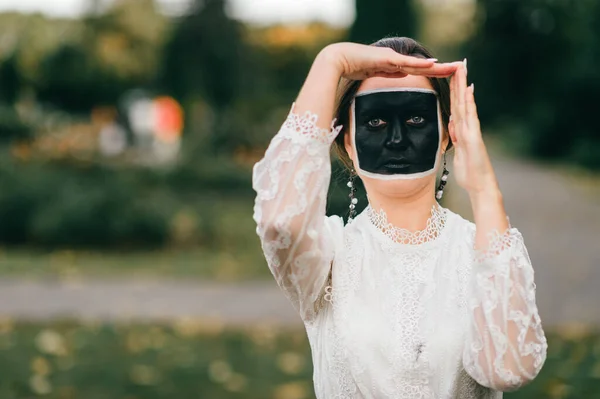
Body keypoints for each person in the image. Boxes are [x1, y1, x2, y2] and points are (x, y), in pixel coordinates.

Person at [252, 37, 547, 398]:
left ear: (446, 135)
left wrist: (484, 188)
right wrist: (333, 60)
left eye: (416, 118)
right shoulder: (327, 256)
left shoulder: (485, 252)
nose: (395, 139)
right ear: (348, 142)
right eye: (375, 120)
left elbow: (510, 367)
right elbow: (280, 221)